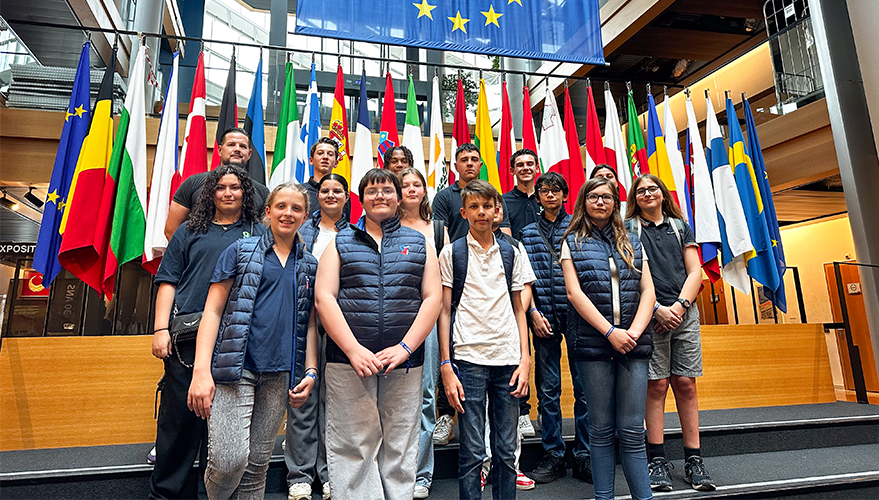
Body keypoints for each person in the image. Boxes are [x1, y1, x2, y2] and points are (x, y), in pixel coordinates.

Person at [315, 168, 442, 499]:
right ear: (362, 199)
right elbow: (324, 297)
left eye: (387, 190)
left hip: (405, 362)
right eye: (371, 191)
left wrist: (405, 347)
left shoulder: (419, 242)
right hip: (347, 362)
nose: (380, 196)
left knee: (400, 445)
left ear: (399, 198)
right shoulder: (340, 242)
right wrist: (354, 350)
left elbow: (433, 298)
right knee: (353, 444)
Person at [188, 183, 319, 499]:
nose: (288, 213)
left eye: (296, 208)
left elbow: (311, 324)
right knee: (229, 460)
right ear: (268, 211)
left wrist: (311, 371)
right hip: (236, 370)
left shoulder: (310, 265)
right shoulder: (240, 251)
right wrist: (201, 371)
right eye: (281, 206)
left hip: (278, 375)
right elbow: (213, 311)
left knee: (258, 464)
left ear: (304, 217)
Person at [149, 165, 265, 500]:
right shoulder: (188, 230)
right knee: (180, 428)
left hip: (238, 341)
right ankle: (168, 495)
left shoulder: (259, 231)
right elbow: (167, 281)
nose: (228, 193)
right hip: (186, 340)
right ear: (210, 193)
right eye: (221, 188)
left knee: (225, 436)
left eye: (235, 187)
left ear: (246, 193)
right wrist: (160, 329)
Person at [561, 177, 656, 500]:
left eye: (606, 197)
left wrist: (633, 332)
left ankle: (644, 498)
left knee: (631, 431)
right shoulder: (571, 240)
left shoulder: (633, 239)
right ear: (583, 202)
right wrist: (610, 332)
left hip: (634, 343)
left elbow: (648, 291)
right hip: (594, 346)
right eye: (593, 197)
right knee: (600, 431)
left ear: (616, 203)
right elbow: (574, 294)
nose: (600, 202)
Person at [438, 180, 531, 500]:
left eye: (487, 206)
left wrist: (525, 358)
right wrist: (446, 365)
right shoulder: (452, 252)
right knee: (472, 452)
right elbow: (444, 312)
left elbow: (520, 308)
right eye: (474, 207)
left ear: (497, 211)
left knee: (506, 453)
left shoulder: (513, 251)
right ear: (463, 212)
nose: (481, 212)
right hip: (468, 359)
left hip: (508, 359)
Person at [625, 174, 716, 492]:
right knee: (657, 386)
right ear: (633, 198)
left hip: (684, 315)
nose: (647, 194)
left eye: (652, 189)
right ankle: (657, 459)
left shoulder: (680, 227)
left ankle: (694, 459)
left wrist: (678, 306)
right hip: (650, 315)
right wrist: (657, 310)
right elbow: (632, 274)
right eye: (640, 191)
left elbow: (696, 271)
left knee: (686, 385)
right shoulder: (629, 230)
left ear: (663, 194)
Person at [519, 172, 593, 485]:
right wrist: (533, 313)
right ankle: (553, 455)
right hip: (542, 317)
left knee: (584, 389)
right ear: (537, 197)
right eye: (544, 191)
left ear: (565, 195)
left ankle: (585, 455)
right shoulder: (526, 232)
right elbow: (523, 278)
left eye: (556, 190)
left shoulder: (579, 227)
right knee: (548, 391)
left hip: (576, 316)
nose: (550, 195)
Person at [285, 174, 351, 500]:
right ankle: (299, 474)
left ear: (346, 196)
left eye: (336, 190)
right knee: (303, 398)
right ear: (317, 196)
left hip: (342, 326)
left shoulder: (356, 234)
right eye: (324, 190)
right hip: (303, 322)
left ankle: (329, 474)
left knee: (334, 403)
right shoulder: (302, 230)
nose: (330, 195)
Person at [397, 167, 449, 499]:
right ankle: (393, 469)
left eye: (417, 184)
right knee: (394, 398)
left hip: (428, 320)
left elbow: (445, 285)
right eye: (405, 185)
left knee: (427, 395)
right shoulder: (383, 227)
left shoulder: (439, 230)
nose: (412, 189)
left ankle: (421, 473)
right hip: (393, 318)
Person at [163, 127, 270, 240]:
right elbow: (171, 231)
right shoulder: (193, 183)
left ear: (249, 154)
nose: (237, 149)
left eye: (242, 146)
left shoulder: (261, 191)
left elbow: (266, 234)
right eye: (231, 145)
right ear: (219, 150)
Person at [501, 148, 541, 438]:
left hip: (551, 287)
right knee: (517, 352)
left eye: (530, 164)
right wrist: (530, 307)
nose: (525, 168)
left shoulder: (548, 197)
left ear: (536, 167)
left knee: (548, 362)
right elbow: (509, 248)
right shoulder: (504, 202)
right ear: (513, 169)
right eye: (520, 165)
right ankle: (523, 412)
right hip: (519, 290)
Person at [432, 143, 510, 243]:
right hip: (457, 255)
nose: (469, 163)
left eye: (474, 159)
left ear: (480, 165)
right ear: (456, 166)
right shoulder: (443, 197)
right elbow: (441, 237)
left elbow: (505, 234)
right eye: (464, 160)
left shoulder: (494, 196)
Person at [303, 137, 341, 214]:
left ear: (336, 163)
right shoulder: (299, 192)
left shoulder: (340, 194)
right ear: (311, 160)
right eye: (320, 153)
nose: (325, 157)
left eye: (330, 154)